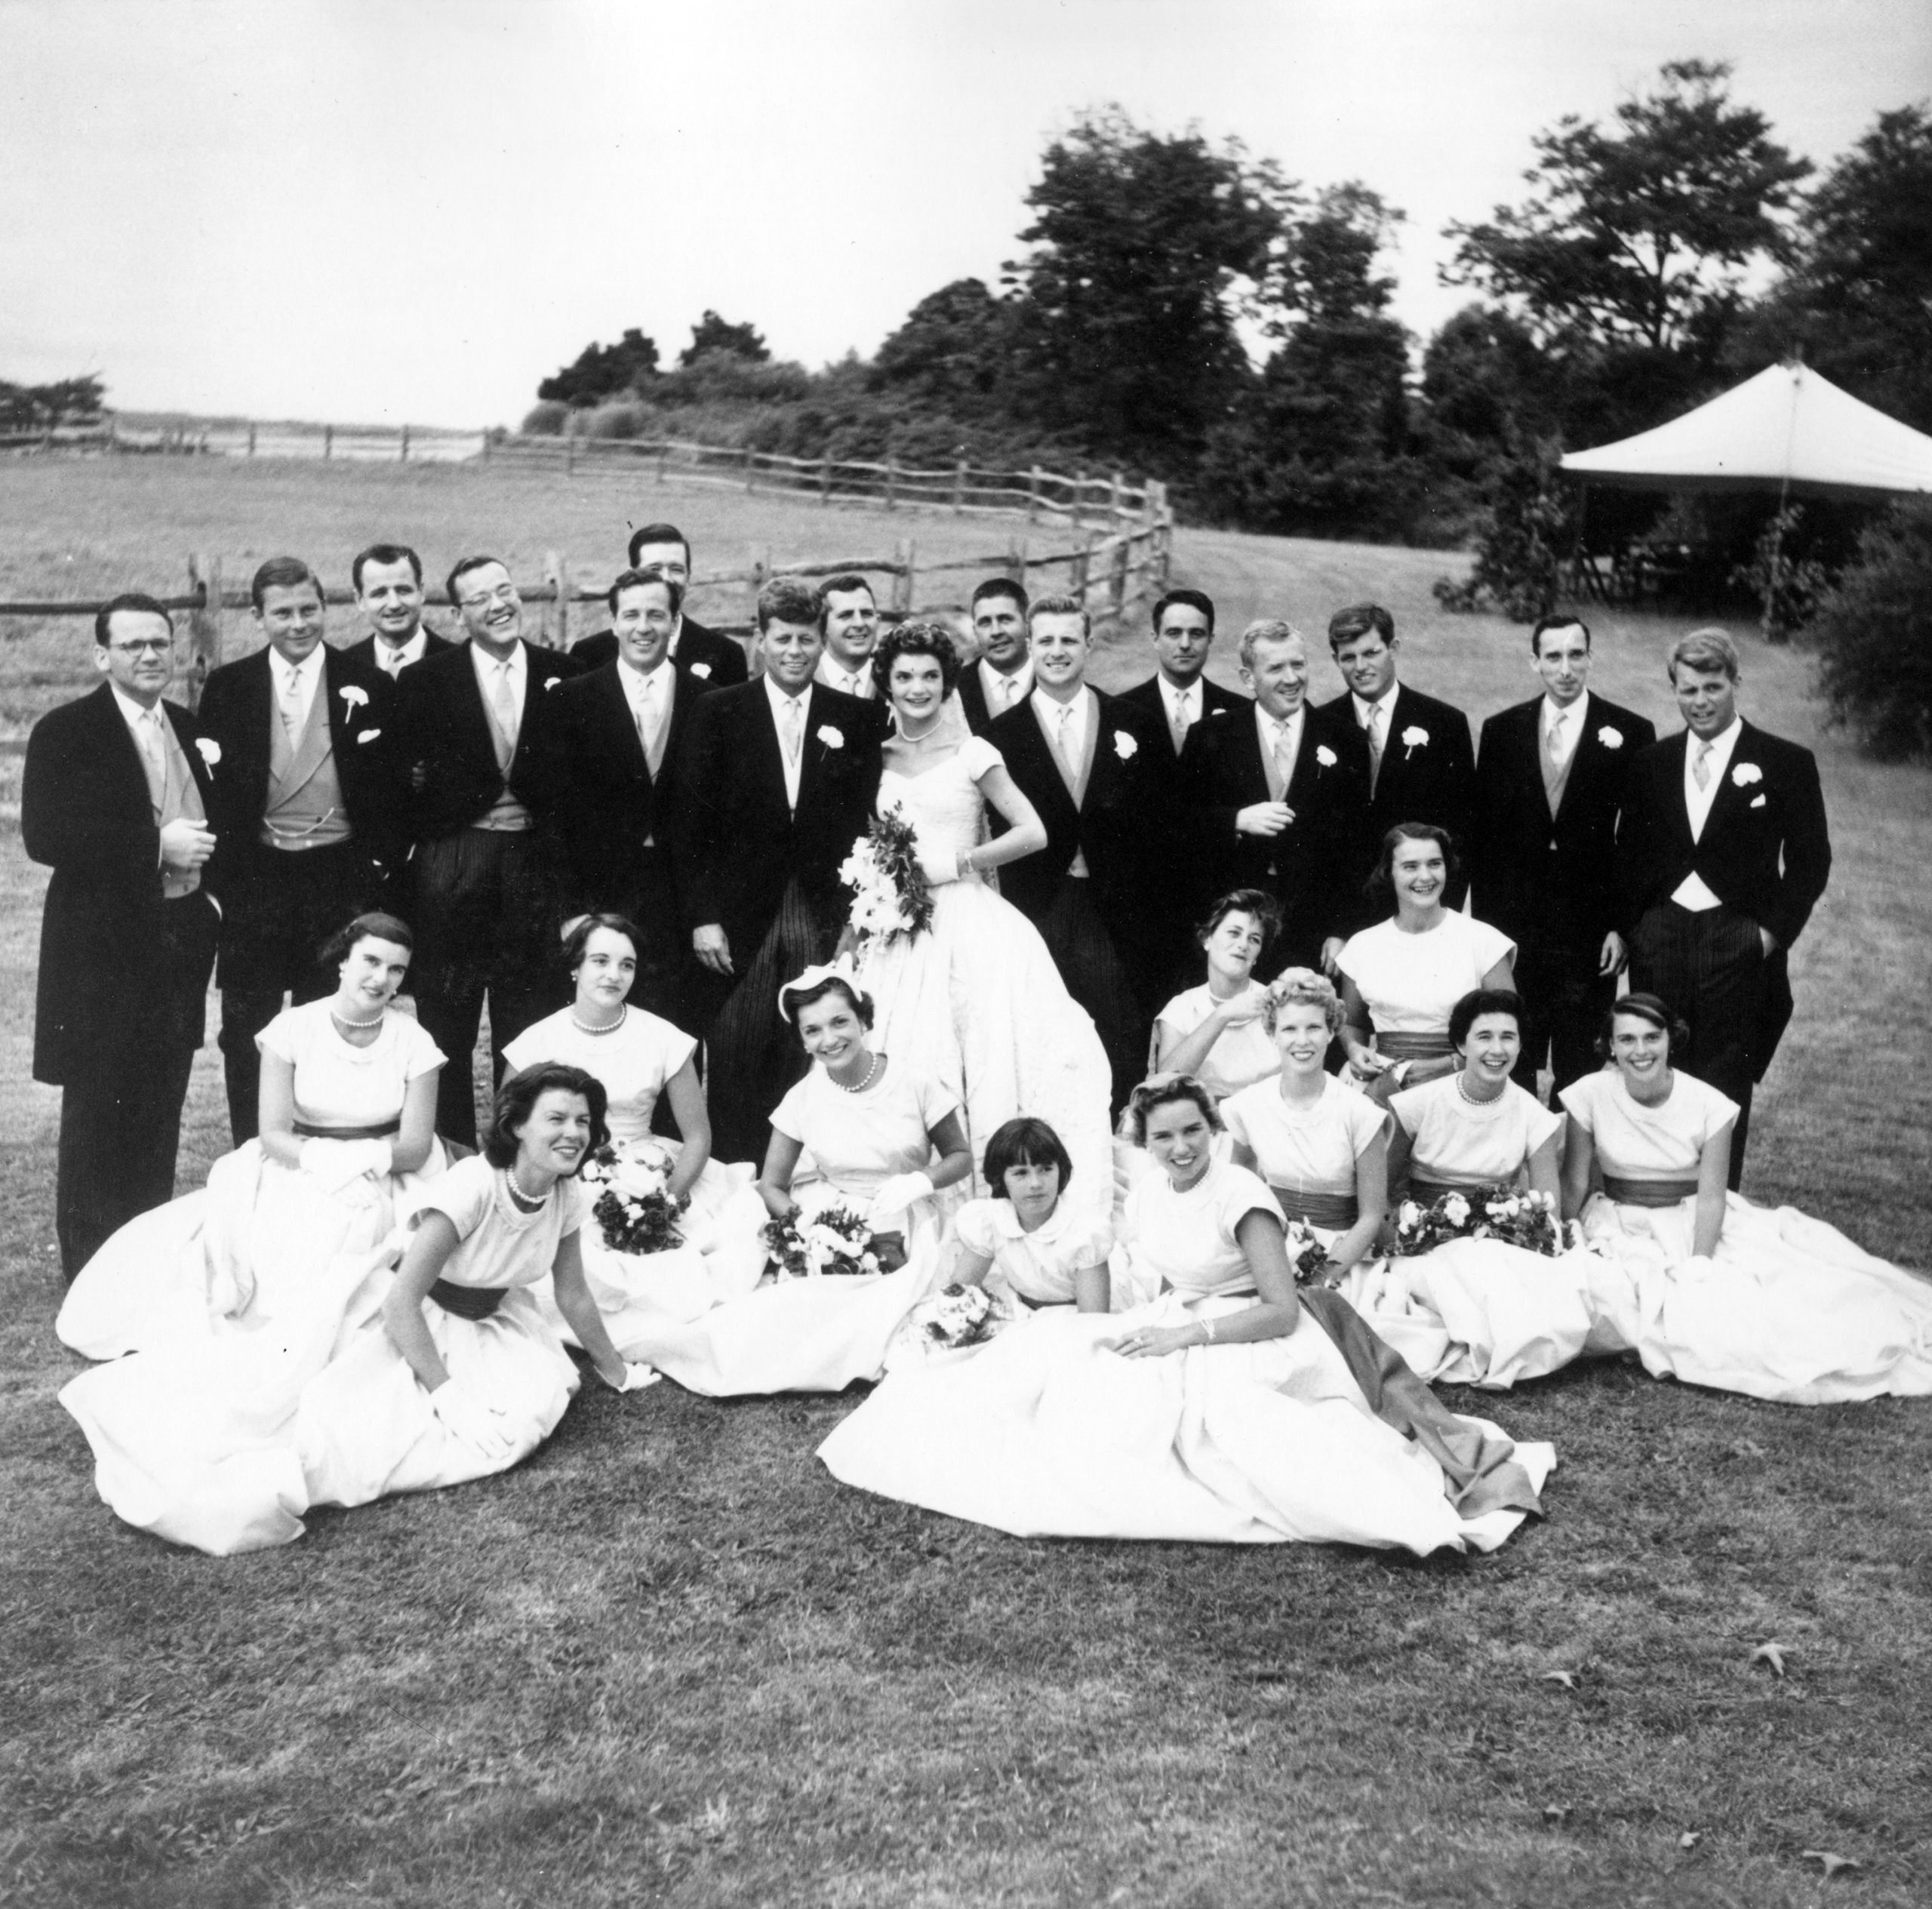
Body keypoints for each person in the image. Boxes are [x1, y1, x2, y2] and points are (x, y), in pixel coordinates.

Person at [818, 1074, 1552, 1551]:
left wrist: (1185, 1335)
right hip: (1177, 1319)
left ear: (1212, 1131)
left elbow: (1278, 1310)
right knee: (1093, 1395)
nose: (1177, 1148)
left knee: (1231, 1434)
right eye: (1162, 1136)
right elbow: (1146, 1278)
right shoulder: (1145, 1196)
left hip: (1257, 1334)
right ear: (1147, 1142)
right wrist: (1145, 1329)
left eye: (1190, 1132)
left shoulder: (1240, 1196)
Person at [60, 1064, 654, 1555]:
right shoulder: (473, 1184)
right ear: (518, 1125)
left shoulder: (566, 1191)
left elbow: (572, 1293)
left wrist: (616, 1369)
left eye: (583, 1120)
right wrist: (448, 1395)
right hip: (401, 1321)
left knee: (524, 1413)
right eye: (556, 1118)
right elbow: (402, 1302)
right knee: (338, 1438)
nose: (574, 1131)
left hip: (490, 1322)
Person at [57, 909, 448, 1359]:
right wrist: (333, 1169)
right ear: (343, 960)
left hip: (390, 1172)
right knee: (297, 1231)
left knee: (372, 1236)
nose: (382, 978)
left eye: (396, 969)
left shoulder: (413, 1040)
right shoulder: (293, 1029)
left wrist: (360, 1166)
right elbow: (274, 1134)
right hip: (300, 1162)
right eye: (371, 961)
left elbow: (416, 1147)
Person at [847, 620, 1116, 1210]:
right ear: (886, 684)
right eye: (905, 677)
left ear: (948, 685)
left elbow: (1033, 831)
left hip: (970, 919)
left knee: (987, 1053)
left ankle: (995, 1199)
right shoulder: (879, 756)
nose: (918, 688)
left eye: (930, 677)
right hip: (899, 928)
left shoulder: (974, 752)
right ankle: (908, 1200)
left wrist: (959, 862)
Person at [1559, 995, 1931, 1404]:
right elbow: (1575, 1181)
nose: (1641, 1051)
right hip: (1616, 1219)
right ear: (1610, 1045)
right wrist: (1559, 1237)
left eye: (1652, 1037)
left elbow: (1713, 1196)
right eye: (1627, 1040)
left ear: (1670, 1039)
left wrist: (1700, 1261)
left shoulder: (1708, 1103)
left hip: (1690, 1220)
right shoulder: (1590, 1093)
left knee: (1751, 1311)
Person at [619, 968, 974, 1396]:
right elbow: (772, 1185)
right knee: (798, 1318)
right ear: (803, 1040)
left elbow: (961, 1157)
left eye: (840, 1022)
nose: (829, 1039)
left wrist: (921, 1181)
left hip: (906, 1214)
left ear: (864, 1021)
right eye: (813, 1030)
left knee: (878, 1314)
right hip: (832, 1215)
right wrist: (809, 1227)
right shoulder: (802, 1098)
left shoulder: (914, 1083)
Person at [25, 593, 222, 1278]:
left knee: (160, 1105)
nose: (149, 656)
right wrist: (153, 845)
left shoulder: (190, 727)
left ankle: (146, 1266)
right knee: (98, 1111)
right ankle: (88, 1274)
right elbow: (45, 835)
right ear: (101, 654)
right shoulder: (66, 730)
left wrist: (212, 905)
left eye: (159, 643)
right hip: (99, 953)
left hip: (176, 951)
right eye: (133, 644)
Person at [675, 577, 890, 1161]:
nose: (795, 651)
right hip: (740, 916)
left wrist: (857, 918)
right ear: (759, 640)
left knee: (813, 1052)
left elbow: (870, 825)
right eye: (783, 638)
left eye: (807, 639)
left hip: (821, 911)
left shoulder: (857, 716)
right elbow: (689, 824)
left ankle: (804, 1184)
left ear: (823, 642)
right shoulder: (720, 710)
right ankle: (736, 1180)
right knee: (738, 1049)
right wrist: (703, 917)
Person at [1614, 627, 1832, 1187]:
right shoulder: (1652, 762)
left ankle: (1719, 1205)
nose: (1701, 701)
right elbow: (1630, 855)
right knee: (1653, 1066)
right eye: (1687, 690)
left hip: (1738, 936)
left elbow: (1810, 861)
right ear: (1674, 690)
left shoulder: (1784, 762)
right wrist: (1636, 926)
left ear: (1735, 682)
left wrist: (1767, 935)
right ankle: (1654, 1192)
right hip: (1661, 935)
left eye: (1712, 687)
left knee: (1723, 1078)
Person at [198, 556, 403, 1143]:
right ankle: (255, 1148)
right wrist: (225, 881)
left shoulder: (366, 681)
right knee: (248, 1028)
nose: (298, 623)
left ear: (326, 608)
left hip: (338, 876)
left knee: (331, 1022)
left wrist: (372, 873)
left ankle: (322, 1147)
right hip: (257, 877)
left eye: (308, 609)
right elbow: (214, 790)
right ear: (258, 616)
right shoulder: (229, 685)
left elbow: (389, 791)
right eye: (282, 612)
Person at [392, 555, 583, 1145]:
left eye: (505, 590)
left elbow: (578, 779)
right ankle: (448, 1152)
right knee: (447, 1017)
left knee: (528, 1021)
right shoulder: (427, 679)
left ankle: (516, 1148)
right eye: (481, 598)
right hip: (455, 862)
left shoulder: (563, 672)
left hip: (535, 867)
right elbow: (407, 783)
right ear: (457, 613)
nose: (499, 604)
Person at [501, 914, 764, 1329]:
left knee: (706, 1255)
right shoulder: (537, 1040)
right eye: (600, 961)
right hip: (563, 1175)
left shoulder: (663, 1036)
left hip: (649, 1170)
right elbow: (507, 1132)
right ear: (575, 966)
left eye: (627, 965)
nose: (614, 975)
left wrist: (665, 1204)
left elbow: (698, 1138)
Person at [987, 593, 1171, 1109]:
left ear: (1088, 645)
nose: (1057, 650)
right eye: (1045, 640)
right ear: (1029, 646)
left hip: (1114, 906)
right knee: (1037, 1029)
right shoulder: (1001, 735)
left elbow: (1159, 825)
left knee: (1117, 1026)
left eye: (1069, 639)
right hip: (1037, 904)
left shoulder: (1133, 723)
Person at [1472, 614, 1656, 1097]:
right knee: (1514, 1051)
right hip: (1517, 920)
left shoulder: (1630, 732)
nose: (1566, 668)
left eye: (1576, 655)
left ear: (1590, 658)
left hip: (1588, 923)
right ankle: (1517, 1164)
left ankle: (1575, 1169)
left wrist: (1622, 925)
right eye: (1553, 656)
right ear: (1535, 662)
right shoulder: (1502, 729)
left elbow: (1638, 843)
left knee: (1582, 1058)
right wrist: (1489, 933)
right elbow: (1485, 838)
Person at [552, 569, 715, 1023]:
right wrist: (570, 911)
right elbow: (556, 815)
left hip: (677, 894)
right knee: (600, 1019)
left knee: (675, 1025)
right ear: (614, 624)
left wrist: (706, 912)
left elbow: (718, 821)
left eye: (656, 615)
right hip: (602, 890)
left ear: (675, 622)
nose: (643, 627)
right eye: (631, 615)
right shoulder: (573, 699)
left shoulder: (709, 701)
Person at [1178, 619, 1369, 978]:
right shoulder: (1211, 736)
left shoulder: (1346, 739)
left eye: (1298, 664)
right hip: (1233, 919)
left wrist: (1342, 930)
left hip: (1311, 921)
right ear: (1248, 678)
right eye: (1276, 668)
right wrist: (1235, 820)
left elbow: (1357, 846)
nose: (1292, 678)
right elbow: (1181, 820)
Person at [1337, 824, 1515, 1106]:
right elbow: (1353, 1023)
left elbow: (1509, 1026)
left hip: (1466, 1083)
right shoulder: (1363, 945)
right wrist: (1355, 1049)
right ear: (1389, 872)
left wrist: (1450, 1065)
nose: (1425, 876)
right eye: (1410, 866)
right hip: (1383, 1084)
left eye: (1435, 864)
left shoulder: (1483, 941)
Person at [1222, 969, 1389, 1270]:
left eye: (1313, 1027)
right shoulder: (1249, 1104)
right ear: (1272, 1034)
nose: (1302, 1041)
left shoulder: (1360, 1112)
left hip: (1341, 1254)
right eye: (1289, 1029)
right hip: (1270, 1246)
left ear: (1330, 1031)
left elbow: (1372, 1217)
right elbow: (1240, 1187)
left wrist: (1325, 1275)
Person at [1318, 603, 1474, 918]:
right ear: (1336, 661)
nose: (1361, 666)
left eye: (1372, 652)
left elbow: (1463, 829)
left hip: (1422, 907)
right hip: (1344, 915)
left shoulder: (1445, 723)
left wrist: (1442, 916)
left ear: (1394, 648)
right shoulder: (1321, 725)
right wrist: (1334, 926)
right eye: (1349, 658)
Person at [1385, 989, 1565, 1203]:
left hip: (1502, 1233)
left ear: (1520, 1045)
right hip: (1422, 1228)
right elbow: (1379, 1194)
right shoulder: (1416, 1105)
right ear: (1462, 1045)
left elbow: (1548, 1210)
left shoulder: (1535, 1117)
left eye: (1508, 1037)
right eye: (1484, 1037)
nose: (1497, 1050)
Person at [947, 1118, 1112, 1314]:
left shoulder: (1084, 1233)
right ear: (1001, 1177)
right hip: (1020, 1313)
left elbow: (1092, 1321)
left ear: (1061, 1170)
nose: (1035, 1183)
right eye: (1021, 1173)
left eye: (1045, 1170)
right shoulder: (990, 1220)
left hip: (1072, 1319)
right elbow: (957, 1296)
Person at [571, 522, 749, 682]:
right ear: (632, 575)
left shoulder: (726, 654)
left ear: (689, 577)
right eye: (654, 569)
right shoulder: (589, 654)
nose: (666, 579)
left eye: (676, 569)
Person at [1150, 890, 1284, 1104]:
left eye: (1254, 939)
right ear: (1207, 939)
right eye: (1234, 933)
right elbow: (1164, 1088)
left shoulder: (1277, 1002)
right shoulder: (1182, 1008)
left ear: (1258, 955)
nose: (1243, 945)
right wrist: (1223, 1014)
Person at [1118, 588, 1248, 764]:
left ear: (1210, 639)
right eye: (1174, 633)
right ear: (1155, 639)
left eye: (1196, 634)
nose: (1185, 644)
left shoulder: (1239, 711)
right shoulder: (1122, 710)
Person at [342, 541, 456, 679]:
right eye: (379, 593)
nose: (394, 604)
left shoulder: (459, 663)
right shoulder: (344, 667)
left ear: (421, 592)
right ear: (360, 600)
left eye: (403, 591)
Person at [954, 578, 1034, 734]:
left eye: (1005, 619)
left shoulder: (1054, 681)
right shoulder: (954, 688)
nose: (996, 631)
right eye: (985, 622)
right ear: (975, 630)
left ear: (1027, 623)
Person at [813, 573, 883, 699]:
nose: (859, 623)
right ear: (822, 625)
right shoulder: (804, 680)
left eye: (866, 613)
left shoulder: (891, 681)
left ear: (878, 620)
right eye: (846, 615)